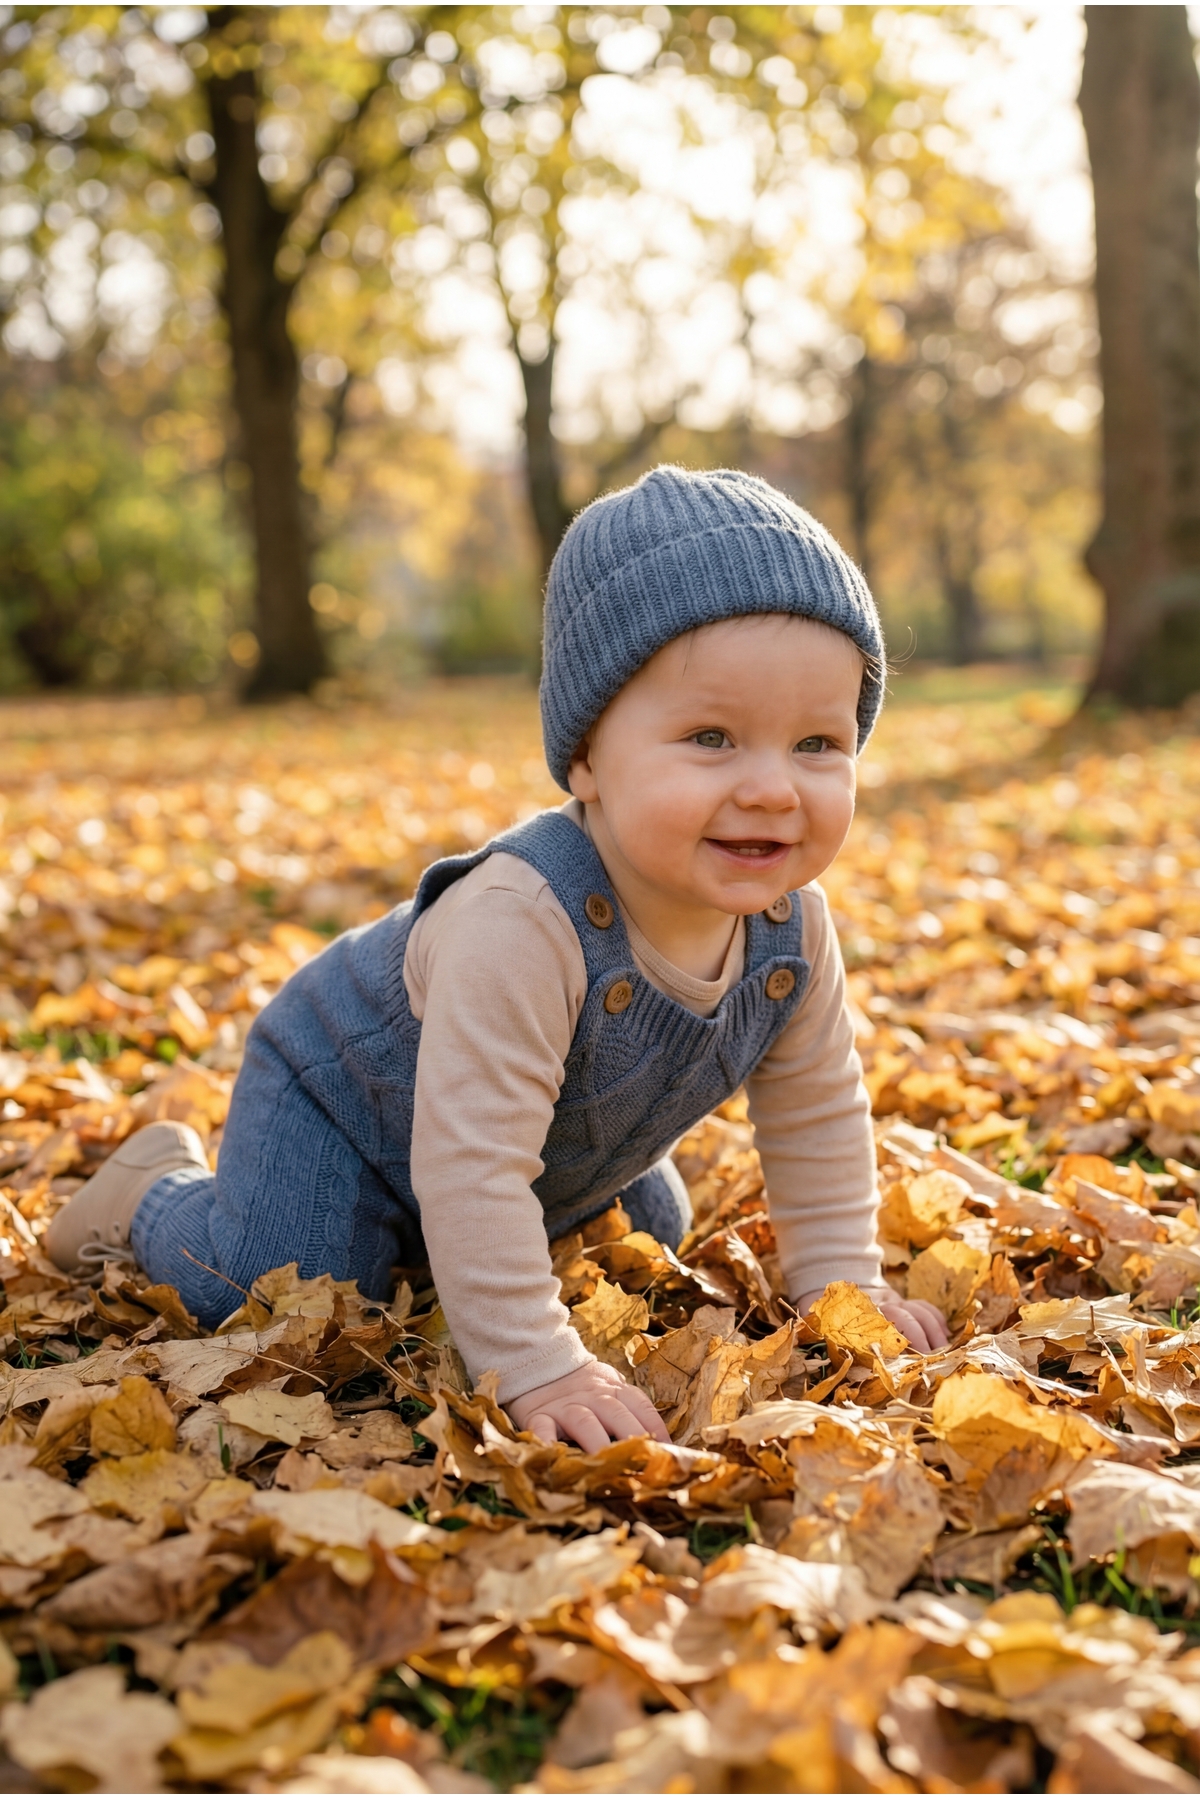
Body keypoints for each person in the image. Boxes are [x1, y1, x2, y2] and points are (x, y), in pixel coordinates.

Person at [46, 467, 948, 1450]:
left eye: (818, 743)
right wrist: (536, 1364)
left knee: (652, 1230)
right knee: (292, 1289)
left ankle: (450, 1257)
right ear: (588, 760)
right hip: (345, 1102)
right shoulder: (524, 920)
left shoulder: (791, 931)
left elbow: (817, 1114)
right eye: (712, 737)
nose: (774, 788)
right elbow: (472, 1160)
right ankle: (150, 1193)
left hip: (542, 1145)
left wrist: (842, 1285)